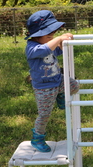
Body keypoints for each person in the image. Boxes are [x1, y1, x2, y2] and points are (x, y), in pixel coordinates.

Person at [25, 10, 79, 152]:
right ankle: (37, 138)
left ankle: (60, 96)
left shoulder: (49, 43)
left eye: (53, 34)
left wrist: (65, 40)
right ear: (36, 35)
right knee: (44, 114)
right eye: (48, 34)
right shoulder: (32, 48)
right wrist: (58, 38)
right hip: (44, 88)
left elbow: (59, 50)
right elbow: (44, 50)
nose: (52, 37)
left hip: (57, 79)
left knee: (74, 85)